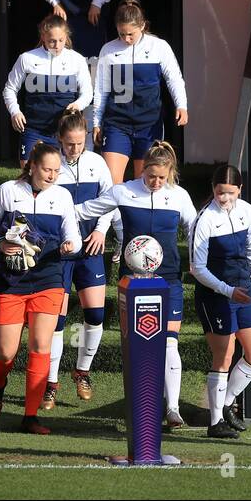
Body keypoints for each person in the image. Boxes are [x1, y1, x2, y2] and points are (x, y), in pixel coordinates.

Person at [76, 140, 196, 428]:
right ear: (142, 169)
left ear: (170, 174)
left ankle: (173, 409)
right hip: (133, 283)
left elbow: (195, 228)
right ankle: (142, 407)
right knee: (139, 345)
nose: (155, 182)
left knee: (169, 343)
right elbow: (85, 210)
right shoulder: (124, 191)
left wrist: (195, 260)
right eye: (151, 176)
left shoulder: (178, 196)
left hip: (169, 280)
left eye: (161, 178)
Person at [0, 142, 81, 434]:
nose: (52, 176)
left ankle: (30, 416)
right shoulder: (8, 190)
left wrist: (71, 245)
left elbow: (74, 236)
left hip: (49, 278)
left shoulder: (62, 197)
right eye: (47, 169)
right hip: (11, 281)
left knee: (40, 347)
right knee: (7, 352)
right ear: (32, 166)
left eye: (57, 171)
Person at [44, 110, 117, 410]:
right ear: (60, 139)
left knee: (96, 316)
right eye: (70, 144)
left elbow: (111, 200)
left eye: (80, 143)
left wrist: (101, 230)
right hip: (58, 253)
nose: (76, 149)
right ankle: (50, 383)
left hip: (89, 249)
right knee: (57, 321)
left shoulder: (96, 163)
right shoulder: (51, 163)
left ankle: (82, 371)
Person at [190, 165, 251, 440]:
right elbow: (197, 268)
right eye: (220, 193)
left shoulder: (247, 212)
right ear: (213, 190)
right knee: (223, 355)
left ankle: (225, 403)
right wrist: (226, 290)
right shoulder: (204, 219)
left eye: (230, 193)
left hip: (243, 291)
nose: (225, 198)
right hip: (215, 293)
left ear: (240, 190)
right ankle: (215, 422)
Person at [92, 0, 188, 186]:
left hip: (148, 123)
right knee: (111, 182)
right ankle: (114, 216)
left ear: (142, 26)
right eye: (122, 34)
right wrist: (96, 122)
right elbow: (101, 89)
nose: (126, 39)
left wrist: (181, 105)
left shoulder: (159, 47)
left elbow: (174, 78)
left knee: (143, 182)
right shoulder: (108, 50)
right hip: (117, 123)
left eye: (131, 34)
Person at [3, 14, 92, 167]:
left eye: (61, 40)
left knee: (62, 178)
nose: (57, 45)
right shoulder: (27, 58)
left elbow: (88, 93)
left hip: (64, 132)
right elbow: (9, 89)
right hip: (34, 129)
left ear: (66, 37)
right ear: (43, 36)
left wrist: (77, 105)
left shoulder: (77, 59)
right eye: (52, 41)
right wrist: (15, 112)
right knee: (30, 175)